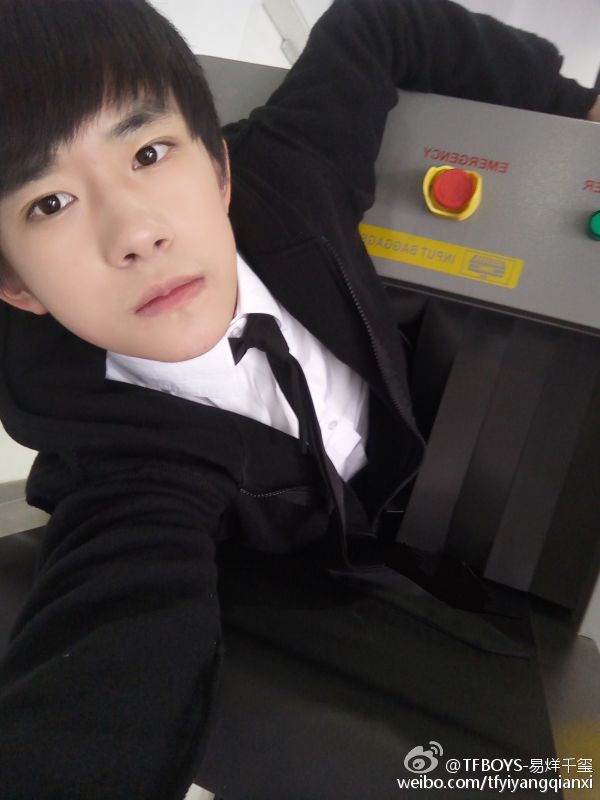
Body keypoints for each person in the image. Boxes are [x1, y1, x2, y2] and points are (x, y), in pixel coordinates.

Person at [0, 0, 597, 798]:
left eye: (147, 151)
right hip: (355, 593)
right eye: (48, 202)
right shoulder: (113, 459)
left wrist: (574, 109)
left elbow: (376, 25)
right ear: (15, 284)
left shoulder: (290, 175)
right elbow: (107, 659)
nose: (136, 233)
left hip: (442, 471)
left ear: (218, 167)